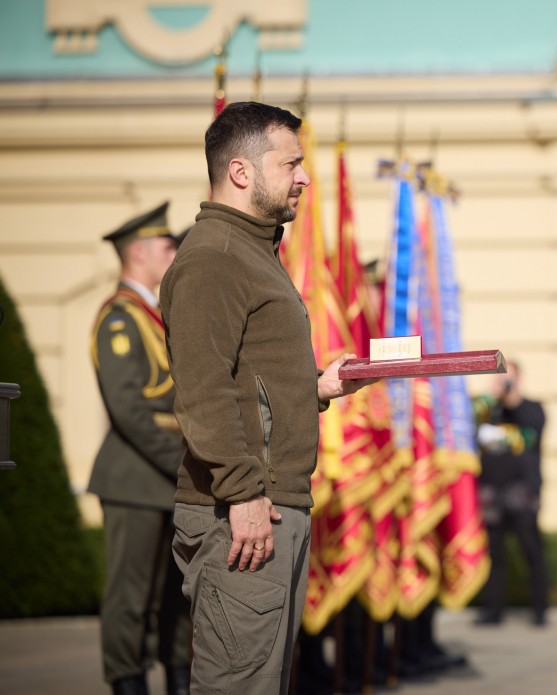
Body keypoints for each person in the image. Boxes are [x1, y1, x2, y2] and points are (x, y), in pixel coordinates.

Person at [159, 101, 377, 695]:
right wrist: (243, 492)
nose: (304, 177)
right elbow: (203, 393)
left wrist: (319, 389)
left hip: (267, 506)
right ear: (240, 172)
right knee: (237, 685)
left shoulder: (251, 251)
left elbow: (245, 379)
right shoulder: (215, 257)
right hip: (243, 513)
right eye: (291, 164)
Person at [88, 201, 192, 695]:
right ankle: (129, 685)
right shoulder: (118, 319)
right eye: (167, 246)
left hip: (168, 479)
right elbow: (129, 410)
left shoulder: (154, 313)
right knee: (131, 600)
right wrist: (182, 464)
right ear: (140, 254)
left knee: (176, 599)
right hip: (136, 477)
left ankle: (176, 678)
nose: (174, 253)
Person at [473, 360, 549, 626]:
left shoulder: (531, 409)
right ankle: (493, 611)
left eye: (508, 379)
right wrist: (491, 400)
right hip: (491, 490)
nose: (503, 383)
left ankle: (540, 610)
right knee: (494, 554)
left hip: (522, 490)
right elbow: (471, 424)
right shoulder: (488, 410)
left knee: (531, 550)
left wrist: (511, 399)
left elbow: (531, 434)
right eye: (499, 378)